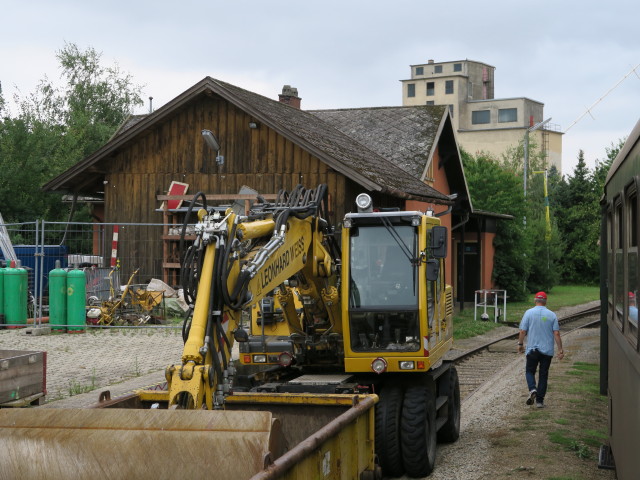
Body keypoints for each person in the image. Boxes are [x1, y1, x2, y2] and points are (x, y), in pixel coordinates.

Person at [517, 291, 564, 408]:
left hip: (532, 349)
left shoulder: (528, 313)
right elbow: (556, 333)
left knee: (529, 371)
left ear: (535, 300)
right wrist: (560, 349)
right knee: (543, 375)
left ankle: (532, 389)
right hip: (547, 351)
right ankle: (539, 401)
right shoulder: (552, 315)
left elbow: (522, 331)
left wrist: (520, 344)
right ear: (545, 301)